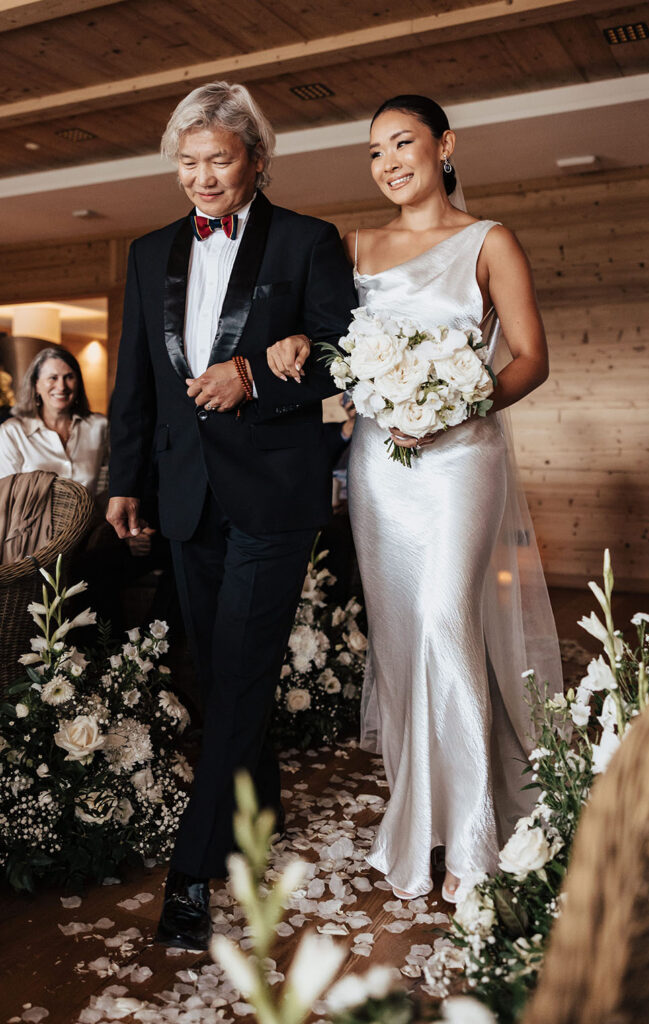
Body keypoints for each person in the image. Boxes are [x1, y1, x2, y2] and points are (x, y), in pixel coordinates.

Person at [269, 95, 562, 902]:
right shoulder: (353, 246)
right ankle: (419, 815)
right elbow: (329, 344)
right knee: (400, 640)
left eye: (403, 142)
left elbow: (532, 357)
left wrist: (455, 404)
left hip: (463, 455)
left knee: (444, 618)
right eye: (374, 152)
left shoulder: (488, 240)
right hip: (377, 468)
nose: (389, 161)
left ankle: (472, 838)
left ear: (444, 145)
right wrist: (298, 341)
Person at [106, 81, 356, 951]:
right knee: (218, 672)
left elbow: (343, 358)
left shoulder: (309, 241)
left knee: (242, 671)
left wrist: (254, 372)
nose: (201, 177)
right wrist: (122, 478)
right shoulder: (146, 252)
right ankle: (265, 802)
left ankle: (190, 874)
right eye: (187, 162)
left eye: (218, 159)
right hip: (183, 493)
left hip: (274, 493)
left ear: (255, 158)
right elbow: (134, 376)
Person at [0, 348, 107, 494]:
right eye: (53, 378)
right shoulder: (12, 432)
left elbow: (109, 485)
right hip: (30, 518)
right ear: (36, 384)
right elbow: (7, 496)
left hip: (92, 516)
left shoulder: (100, 426)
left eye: (69, 377)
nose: (61, 387)